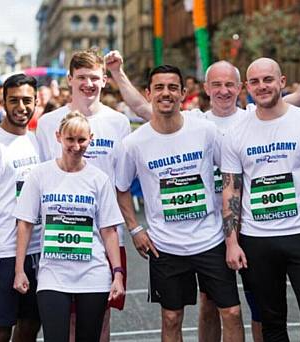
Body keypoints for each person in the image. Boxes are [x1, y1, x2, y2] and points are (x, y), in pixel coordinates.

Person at [115, 65, 244, 342]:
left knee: (232, 312)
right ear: (149, 93)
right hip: (166, 246)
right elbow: (121, 188)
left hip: (210, 240)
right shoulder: (133, 144)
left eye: (173, 87)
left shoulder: (206, 131)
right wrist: (135, 229)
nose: (166, 93)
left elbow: (232, 173)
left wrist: (231, 230)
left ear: (183, 93)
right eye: (159, 87)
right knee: (171, 319)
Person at [221, 57, 300, 342]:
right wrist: (232, 242)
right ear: (247, 87)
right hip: (257, 240)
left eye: (268, 79)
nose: (262, 86)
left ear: (282, 82)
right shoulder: (235, 133)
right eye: (255, 82)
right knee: (271, 323)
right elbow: (231, 190)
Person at [35, 49, 131, 342]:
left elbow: (122, 183)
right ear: (70, 80)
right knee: (67, 322)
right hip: (59, 233)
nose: (88, 84)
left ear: (104, 80)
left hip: (106, 235)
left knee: (100, 318)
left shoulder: (119, 122)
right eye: (81, 78)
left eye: (94, 78)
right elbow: (41, 179)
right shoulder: (48, 123)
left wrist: (134, 228)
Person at [13, 111, 125, 342]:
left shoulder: (98, 178)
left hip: (93, 274)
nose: (76, 146)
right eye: (70, 139)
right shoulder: (40, 175)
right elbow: (24, 223)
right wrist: (19, 270)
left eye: (82, 140)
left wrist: (118, 274)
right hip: (53, 274)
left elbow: (108, 230)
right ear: (58, 137)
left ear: (90, 139)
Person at [0, 74, 42, 342]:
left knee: (31, 324)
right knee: (1, 329)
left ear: (35, 102)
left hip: (37, 248)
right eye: (14, 100)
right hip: (3, 250)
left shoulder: (38, 141)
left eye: (27, 100)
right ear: (3, 102)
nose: (21, 107)